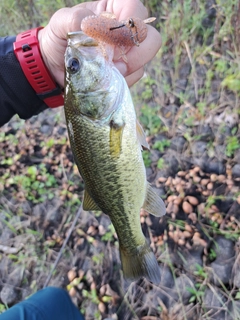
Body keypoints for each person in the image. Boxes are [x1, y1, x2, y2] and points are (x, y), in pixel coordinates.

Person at [0, 0, 161, 319]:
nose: (75, 58)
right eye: (74, 68)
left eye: (71, 68)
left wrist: (43, 59)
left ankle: (132, 247)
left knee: (55, 302)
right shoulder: (100, 106)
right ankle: (133, 245)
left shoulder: (98, 103)